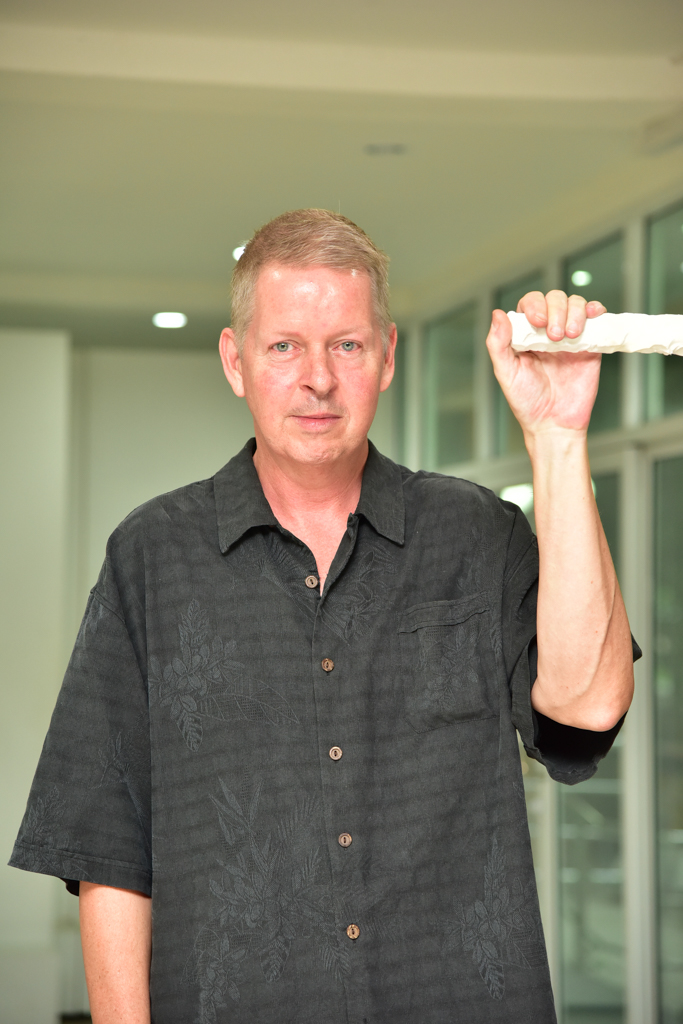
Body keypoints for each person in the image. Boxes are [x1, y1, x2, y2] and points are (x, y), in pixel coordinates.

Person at [10, 209, 636, 1024]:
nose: (317, 378)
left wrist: (557, 438)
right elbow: (107, 846)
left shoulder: (476, 534)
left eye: (346, 344)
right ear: (235, 361)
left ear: (386, 357)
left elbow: (587, 707)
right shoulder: (152, 554)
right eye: (284, 346)